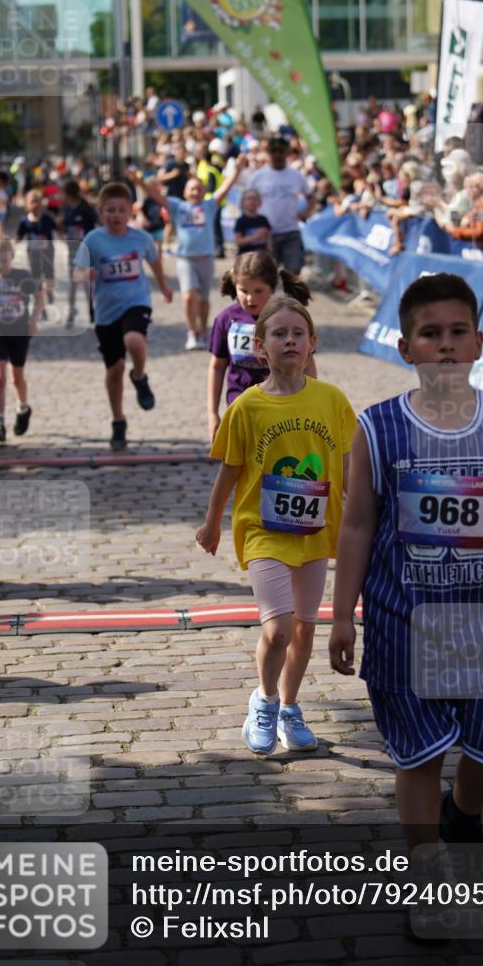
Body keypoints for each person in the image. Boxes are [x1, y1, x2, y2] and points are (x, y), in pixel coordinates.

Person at [328, 273, 483, 857]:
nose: (446, 344)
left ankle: (464, 810)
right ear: (406, 348)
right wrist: (342, 615)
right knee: (419, 758)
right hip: (401, 626)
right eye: (431, 334)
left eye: (458, 331)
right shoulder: (377, 429)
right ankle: (425, 872)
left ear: (479, 342)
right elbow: (356, 526)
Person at [197, 295, 356, 755]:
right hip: (263, 530)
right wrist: (212, 523)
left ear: (312, 343)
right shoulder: (247, 406)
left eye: (298, 333)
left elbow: (348, 464)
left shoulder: (331, 399)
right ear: (260, 347)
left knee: (304, 629)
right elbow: (229, 469)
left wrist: (366, 509)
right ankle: (264, 702)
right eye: (279, 334)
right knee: (278, 629)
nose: (289, 341)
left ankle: (289, 707)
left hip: (315, 531)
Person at [73, 182, 173, 451]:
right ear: (101, 212)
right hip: (106, 312)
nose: (116, 215)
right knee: (114, 369)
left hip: (136, 302)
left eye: (121, 210)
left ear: (130, 211)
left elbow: (154, 260)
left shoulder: (141, 238)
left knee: (135, 341)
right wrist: (86, 274)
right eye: (110, 210)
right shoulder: (93, 240)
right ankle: (118, 421)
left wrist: (164, 286)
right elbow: (77, 271)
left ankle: (139, 376)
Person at [134, 157, 246, 351]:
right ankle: (192, 332)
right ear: (185, 192)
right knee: (188, 296)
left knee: (203, 300)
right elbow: (155, 195)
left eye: (199, 188)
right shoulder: (178, 206)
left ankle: (203, 331)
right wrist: (139, 182)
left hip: (206, 259)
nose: (195, 192)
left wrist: (237, 170)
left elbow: (226, 187)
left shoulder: (210, 205)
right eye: (191, 189)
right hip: (186, 260)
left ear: (204, 191)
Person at [208, 250, 316, 442]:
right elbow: (217, 367)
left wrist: (309, 403)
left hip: (282, 402)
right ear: (235, 286)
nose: (250, 298)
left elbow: (307, 363)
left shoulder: (287, 318)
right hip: (241, 404)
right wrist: (212, 413)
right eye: (244, 291)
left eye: (258, 291)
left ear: (272, 287)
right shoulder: (226, 319)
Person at [0, 237, 44, 443]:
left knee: (16, 378)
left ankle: (23, 407)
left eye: (4, 260)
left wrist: (33, 321)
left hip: (19, 333)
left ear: (12, 257)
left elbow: (40, 295)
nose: (0, 265)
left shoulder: (22, 277)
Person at [249, 135, 313, 274]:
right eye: (274, 151)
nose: (278, 155)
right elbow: (247, 201)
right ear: (268, 153)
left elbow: (311, 197)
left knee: (293, 273)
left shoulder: (296, 175)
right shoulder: (258, 176)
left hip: (291, 232)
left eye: (281, 151)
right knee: (266, 275)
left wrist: (306, 212)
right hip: (266, 234)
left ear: (287, 152)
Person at [60, 179, 99, 327]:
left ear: (68, 193)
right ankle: (71, 312)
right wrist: (64, 235)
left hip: (86, 250)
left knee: (87, 282)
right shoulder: (66, 208)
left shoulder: (85, 207)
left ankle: (92, 311)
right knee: (73, 283)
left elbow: (96, 222)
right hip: (73, 250)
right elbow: (64, 226)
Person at [16, 189, 58, 309]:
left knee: (49, 274)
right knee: (36, 276)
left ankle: (49, 291)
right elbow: (19, 236)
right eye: (32, 202)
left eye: (37, 202)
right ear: (27, 205)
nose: (35, 205)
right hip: (33, 253)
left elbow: (57, 229)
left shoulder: (47, 218)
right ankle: (39, 301)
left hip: (47, 251)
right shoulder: (24, 221)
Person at [233, 189, 272, 255]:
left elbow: (269, 238)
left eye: (255, 198)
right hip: (246, 257)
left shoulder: (263, 219)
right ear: (243, 202)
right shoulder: (240, 221)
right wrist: (256, 236)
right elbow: (238, 241)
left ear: (259, 202)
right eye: (248, 198)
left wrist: (270, 251)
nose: (252, 201)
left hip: (262, 256)